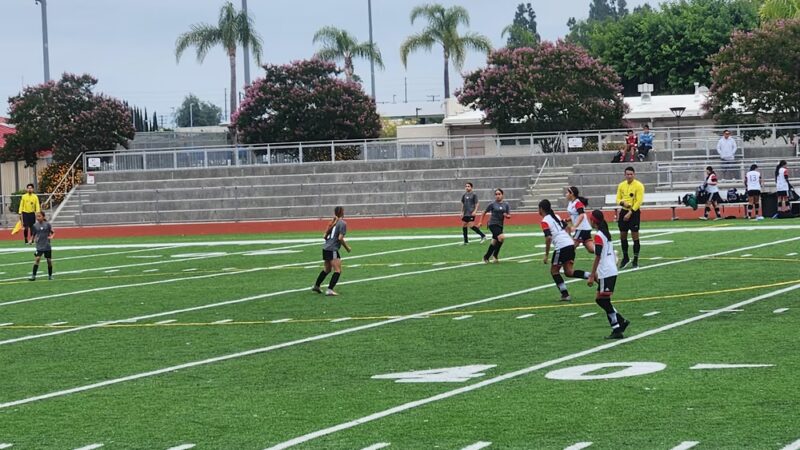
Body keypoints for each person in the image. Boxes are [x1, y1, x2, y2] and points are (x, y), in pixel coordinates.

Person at [587, 209, 630, 339]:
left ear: (594, 221)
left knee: (602, 300)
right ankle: (619, 324)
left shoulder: (599, 235)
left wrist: (592, 274)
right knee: (602, 300)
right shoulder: (605, 233)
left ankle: (618, 326)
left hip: (606, 271)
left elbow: (598, 255)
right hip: (609, 270)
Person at [539, 199, 590, 302]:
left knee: (554, 271)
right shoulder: (556, 216)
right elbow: (567, 228)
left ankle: (565, 294)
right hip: (570, 244)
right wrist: (569, 238)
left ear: (541, 209)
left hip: (561, 247)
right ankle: (591, 275)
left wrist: (546, 255)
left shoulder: (544, 221)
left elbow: (548, 237)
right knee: (569, 272)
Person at [312, 206, 352, 296]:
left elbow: (324, 236)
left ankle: (316, 286)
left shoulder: (332, 221)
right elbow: (340, 238)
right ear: (342, 212)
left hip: (325, 248)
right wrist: (347, 248)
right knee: (338, 270)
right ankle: (330, 289)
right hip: (332, 249)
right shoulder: (342, 223)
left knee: (327, 269)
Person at [615, 166, 645, 269]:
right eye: (627, 174)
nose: (629, 176)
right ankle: (626, 257)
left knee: (635, 236)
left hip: (634, 212)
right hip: (623, 211)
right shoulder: (621, 185)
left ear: (634, 174)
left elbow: (639, 201)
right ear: (625, 175)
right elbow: (617, 199)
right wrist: (622, 203)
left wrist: (630, 212)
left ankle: (635, 260)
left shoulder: (639, 185)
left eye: (631, 174)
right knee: (622, 235)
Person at [478, 188, 510, 263]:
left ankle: (486, 257)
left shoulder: (506, 204)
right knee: (501, 237)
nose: (497, 196)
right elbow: (484, 212)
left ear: (502, 195)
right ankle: (495, 256)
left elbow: (509, 215)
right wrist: (480, 222)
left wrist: (507, 216)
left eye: (499, 194)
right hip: (492, 224)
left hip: (500, 225)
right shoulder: (492, 204)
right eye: (496, 194)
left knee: (494, 242)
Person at [565, 186, 594, 254]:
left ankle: (566, 261)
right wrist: (566, 220)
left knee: (571, 247)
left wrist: (575, 226)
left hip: (581, 228)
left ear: (571, 194)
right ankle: (608, 253)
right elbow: (574, 215)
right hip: (585, 229)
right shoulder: (571, 203)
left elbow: (581, 215)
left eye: (567, 193)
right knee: (591, 249)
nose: (566, 194)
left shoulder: (577, 203)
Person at [28, 211, 54, 281]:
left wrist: (51, 236)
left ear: (43, 217)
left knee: (49, 261)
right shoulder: (35, 225)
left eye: (39, 216)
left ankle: (50, 275)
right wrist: (31, 240)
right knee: (37, 259)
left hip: (47, 246)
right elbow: (33, 234)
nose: (38, 218)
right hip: (39, 246)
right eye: (37, 216)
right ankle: (33, 276)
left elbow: (52, 232)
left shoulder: (47, 224)